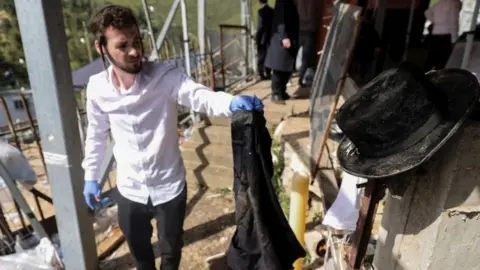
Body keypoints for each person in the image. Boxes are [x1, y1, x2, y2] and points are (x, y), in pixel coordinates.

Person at [81, 5, 263, 270]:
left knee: (170, 253)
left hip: (169, 187)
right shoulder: (97, 89)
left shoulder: (165, 76)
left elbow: (199, 96)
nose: (134, 51)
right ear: (102, 48)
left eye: (136, 41)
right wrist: (91, 176)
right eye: (123, 45)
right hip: (130, 190)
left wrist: (231, 102)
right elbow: (96, 135)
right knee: (141, 256)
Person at [264, 0, 300, 104]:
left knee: (286, 69)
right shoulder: (282, 2)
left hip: (290, 39)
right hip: (282, 41)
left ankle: (282, 91)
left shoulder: (289, 3)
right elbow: (281, 21)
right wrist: (284, 37)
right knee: (279, 69)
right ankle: (276, 94)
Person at [294, 0, 320, 87]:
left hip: (298, 29)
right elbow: (316, 13)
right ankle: (301, 79)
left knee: (292, 55)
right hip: (309, 30)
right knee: (306, 57)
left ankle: (288, 78)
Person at [255, 0, 274, 80]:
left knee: (261, 56)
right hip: (271, 37)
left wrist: (257, 38)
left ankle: (261, 74)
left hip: (263, 38)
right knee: (269, 55)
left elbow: (260, 27)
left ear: (259, 2)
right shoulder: (272, 11)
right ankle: (268, 73)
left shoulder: (261, 12)